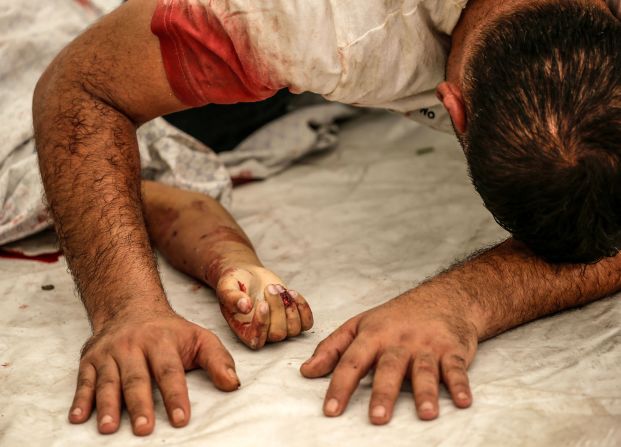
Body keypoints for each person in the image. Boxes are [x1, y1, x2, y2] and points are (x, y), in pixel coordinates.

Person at [32, 0, 621, 437]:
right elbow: (83, 87)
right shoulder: (301, 22)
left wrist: (463, 299)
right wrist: (127, 308)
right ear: (454, 113)